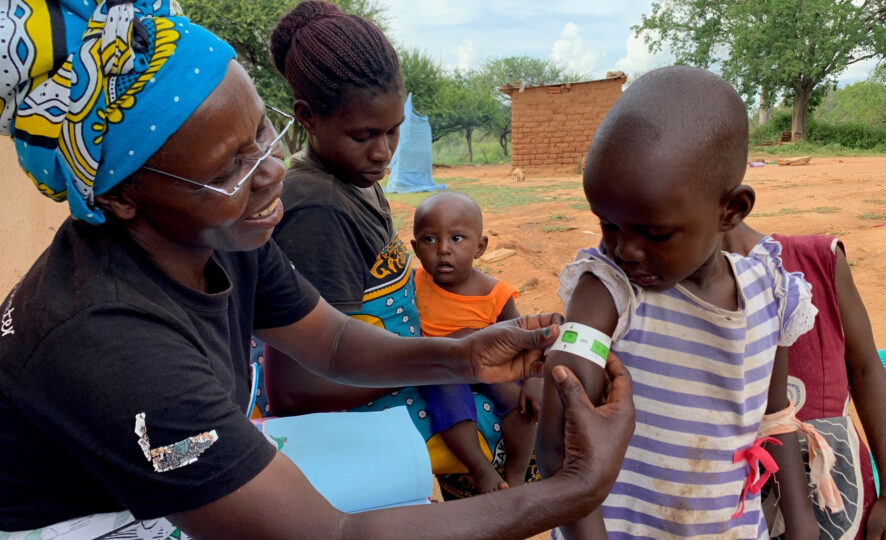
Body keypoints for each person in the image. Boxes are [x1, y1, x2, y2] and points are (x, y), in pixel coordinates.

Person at [0, 2, 637, 537]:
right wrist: (575, 489)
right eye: (229, 168)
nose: (271, 170)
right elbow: (329, 534)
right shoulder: (112, 343)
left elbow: (330, 339)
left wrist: (464, 357)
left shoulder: (220, 235)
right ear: (118, 197)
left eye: (262, 133)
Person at [535, 66, 822, 539]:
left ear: (731, 209)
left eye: (656, 233)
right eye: (608, 224)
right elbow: (556, 442)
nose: (625, 250)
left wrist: (802, 524)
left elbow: (776, 418)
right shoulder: (608, 291)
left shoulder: (771, 293)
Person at [262, 1, 510, 489]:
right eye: (364, 135)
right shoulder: (317, 208)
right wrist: (443, 352)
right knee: (499, 432)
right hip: (359, 411)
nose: (383, 152)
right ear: (307, 118)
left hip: (389, 376)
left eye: (393, 131)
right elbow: (297, 389)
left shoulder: (357, 180)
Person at [723, 223, 886, 539]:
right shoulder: (661, 290)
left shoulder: (817, 263)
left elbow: (866, 368)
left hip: (837, 493)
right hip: (724, 505)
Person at [410, 192, 541, 492]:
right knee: (448, 400)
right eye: (430, 240)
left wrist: (535, 379)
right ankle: (481, 470)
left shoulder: (495, 293)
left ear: (480, 247)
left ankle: (516, 474)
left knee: (517, 401)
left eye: (457, 238)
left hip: (487, 367)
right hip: (443, 369)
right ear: (416, 249)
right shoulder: (414, 283)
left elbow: (524, 340)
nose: (443, 250)